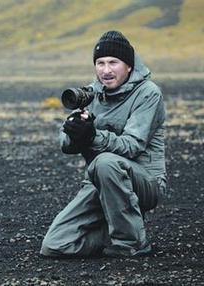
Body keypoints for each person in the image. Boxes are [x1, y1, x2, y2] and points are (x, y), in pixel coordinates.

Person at [40, 30, 167, 258]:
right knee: (55, 246)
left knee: (105, 162)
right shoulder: (92, 94)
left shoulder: (148, 94)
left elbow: (132, 146)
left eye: (113, 62)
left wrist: (92, 136)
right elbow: (66, 145)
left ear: (129, 65)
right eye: (100, 63)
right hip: (100, 182)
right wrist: (75, 133)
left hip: (145, 182)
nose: (105, 70)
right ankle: (113, 230)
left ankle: (132, 243)